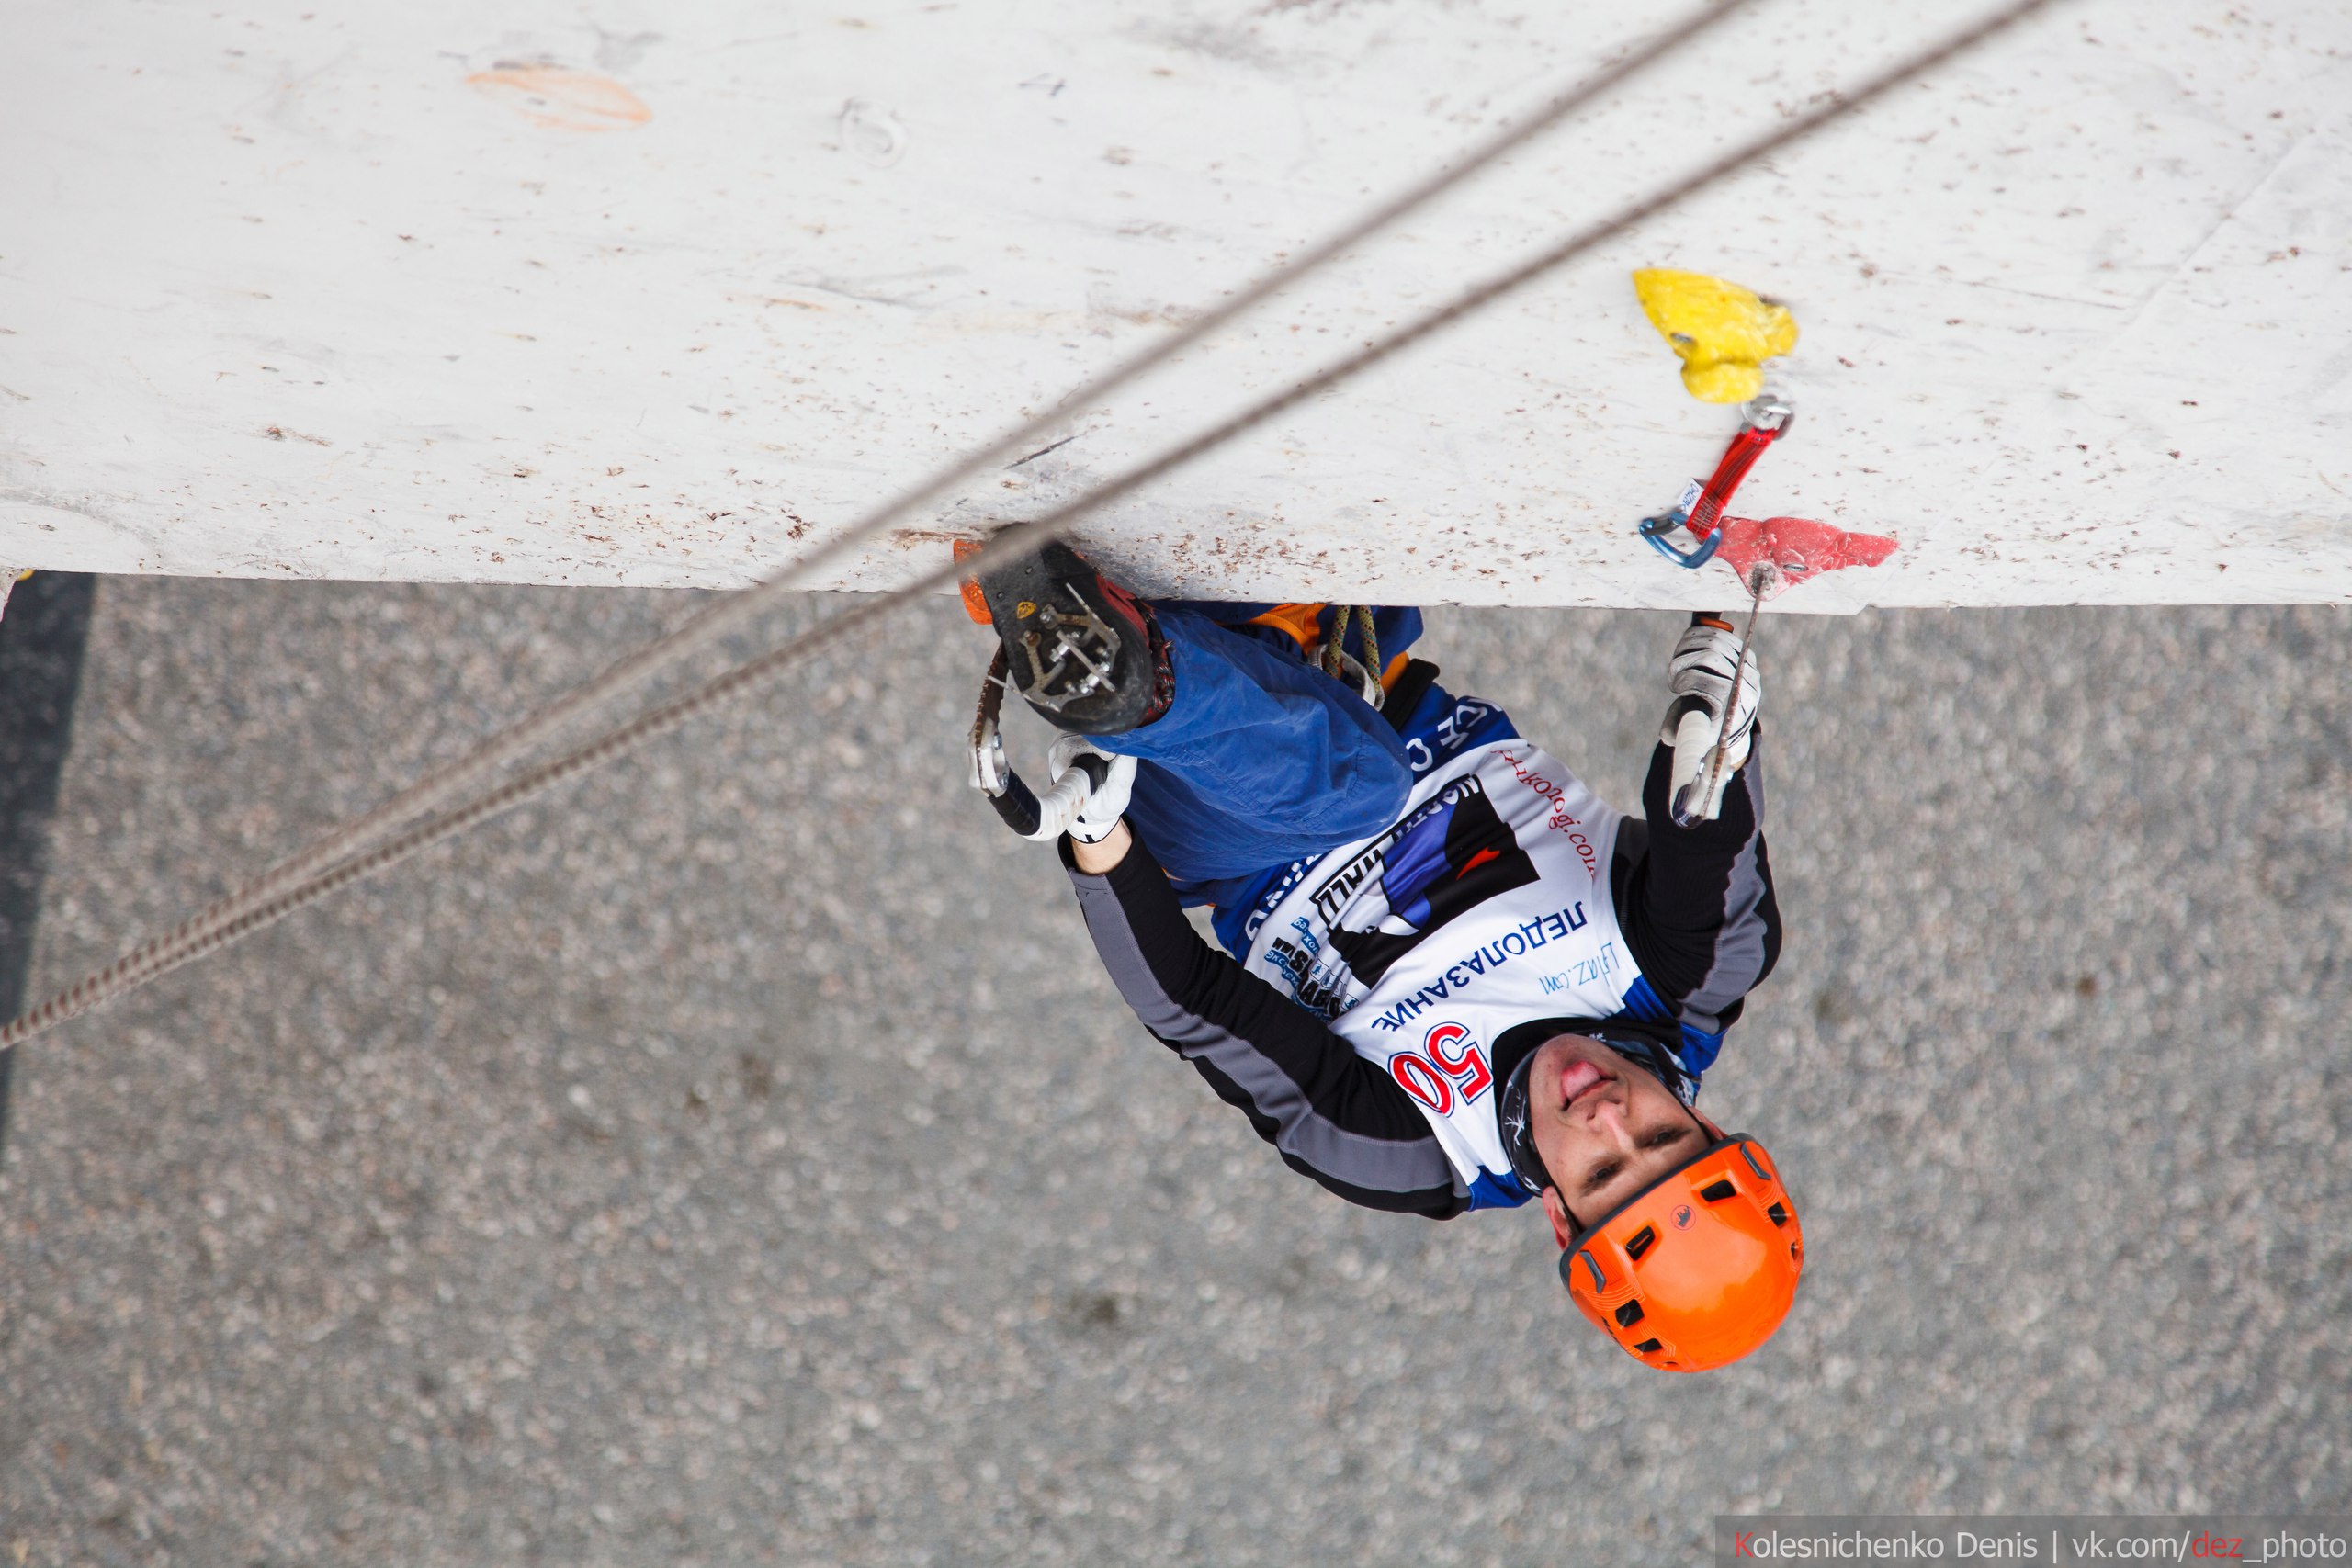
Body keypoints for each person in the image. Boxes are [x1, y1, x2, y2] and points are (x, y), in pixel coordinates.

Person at [969, 542, 1804, 1372]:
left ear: (1560, 1214)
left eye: (1603, 1171)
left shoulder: (1424, 1150)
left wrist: (1098, 837)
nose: (1611, 1116)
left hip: (1222, 810)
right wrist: (1715, 726)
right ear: (1706, 1123)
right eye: (1661, 1134)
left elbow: (1190, 1003)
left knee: (1358, 783)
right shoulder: (1696, 974)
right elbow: (1707, 838)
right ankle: (1108, 624)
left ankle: (1113, 667)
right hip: (1359, 659)